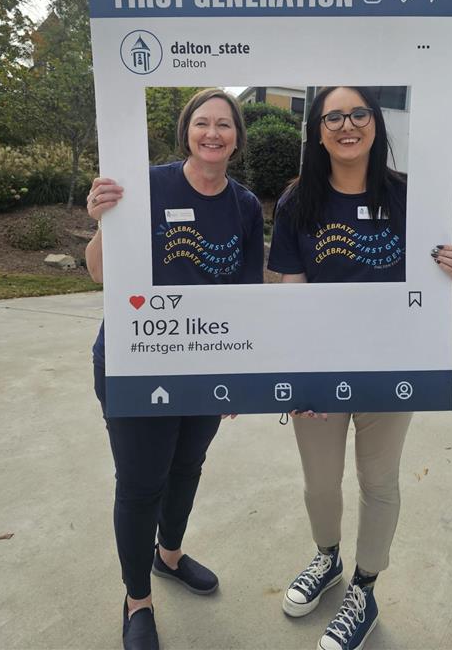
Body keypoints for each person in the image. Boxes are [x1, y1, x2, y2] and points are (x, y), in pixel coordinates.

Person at [267, 86, 452, 650]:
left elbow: (436, 271)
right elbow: (290, 288)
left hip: (393, 366)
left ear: (376, 124)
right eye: (332, 116)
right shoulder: (295, 202)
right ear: (318, 131)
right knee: (319, 483)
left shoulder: (410, 196)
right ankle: (327, 558)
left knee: (378, 481)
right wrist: (296, 374)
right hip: (320, 367)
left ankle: (365, 586)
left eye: (358, 112)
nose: (347, 124)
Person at [86, 88, 263, 650]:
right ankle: (137, 599)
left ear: (236, 136)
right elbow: (97, 274)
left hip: (207, 364)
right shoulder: (144, 186)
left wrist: (240, 374)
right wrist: (100, 222)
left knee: (187, 466)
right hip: (135, 362)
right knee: (141, 484)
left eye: (224, 125)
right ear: (187, 130)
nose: (213, 134)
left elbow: (247, 294)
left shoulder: (246, 206)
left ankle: (170, 555)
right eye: (202, 123)